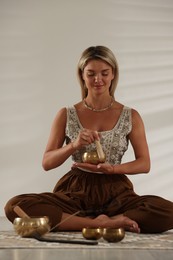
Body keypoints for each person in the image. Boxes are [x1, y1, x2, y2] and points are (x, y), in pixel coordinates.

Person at [5, 45, 173, 234]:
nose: (98, 79)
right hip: (75, 190)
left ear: (113, 75)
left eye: (104, 73)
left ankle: (101, 219)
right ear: (82, 76)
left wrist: (113, 169)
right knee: (15, 205)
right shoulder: (66, 114)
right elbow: (47, 162)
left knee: (169, 211)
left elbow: (144, 163)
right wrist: (74, 145)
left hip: (116, 191)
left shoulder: (130, 115)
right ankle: (99, 224)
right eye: (91, 74)